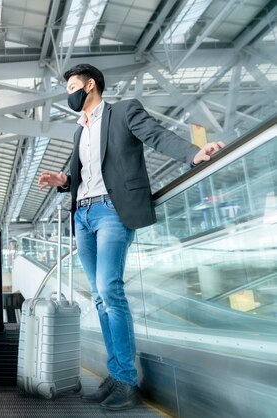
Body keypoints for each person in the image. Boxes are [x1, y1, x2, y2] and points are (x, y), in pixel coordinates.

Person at [38, 64, 224, 411]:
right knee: (97, 296)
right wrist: (62, 181)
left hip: (112, 211)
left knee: (110, 290)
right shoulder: (79, 132)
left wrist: (192, 153)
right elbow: (80, 174)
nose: (69, 94)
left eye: (73, 86)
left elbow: (156, 134)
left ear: (90, 85)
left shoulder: (123, 111)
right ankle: (117, 372)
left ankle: (126, 380)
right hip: (83, 215)